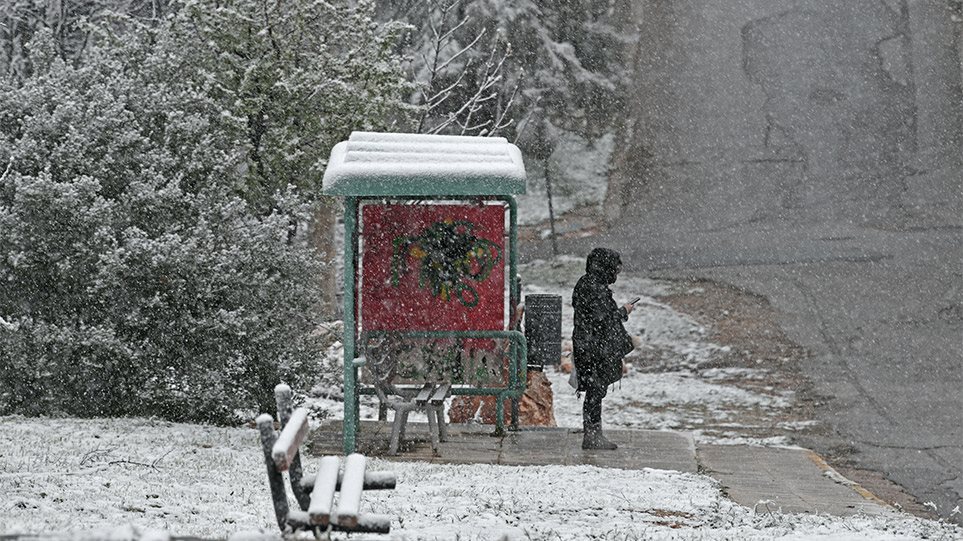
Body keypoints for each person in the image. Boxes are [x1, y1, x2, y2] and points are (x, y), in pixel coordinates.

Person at [572, 247, 635, 450]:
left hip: (588, 345)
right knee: (595, 389)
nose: (615, 274)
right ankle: (592, 436)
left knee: (595, 389)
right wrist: (623, 311)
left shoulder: (587, 283)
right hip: (594, 348)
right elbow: (603, 319)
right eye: (614, 270)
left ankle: (593, 433)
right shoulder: (595, 288)